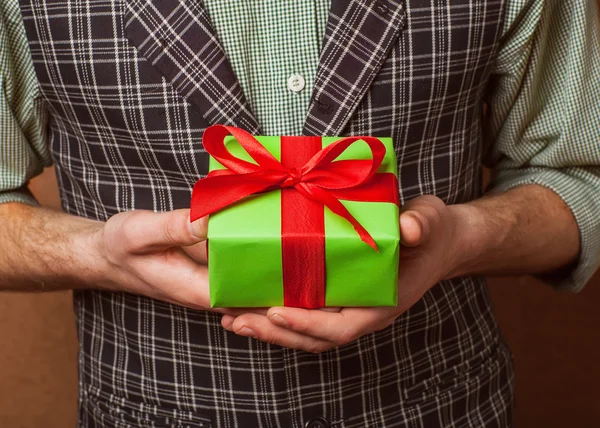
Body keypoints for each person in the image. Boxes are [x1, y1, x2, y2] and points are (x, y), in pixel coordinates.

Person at [1, 0, 599, 426]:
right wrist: (98, 254)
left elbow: (579, 177)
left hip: (439, 404)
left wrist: (463, 238)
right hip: (148, 410)